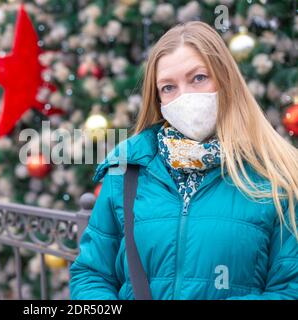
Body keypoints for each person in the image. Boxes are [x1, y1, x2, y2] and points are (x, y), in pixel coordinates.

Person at [69, 21, 298, 300]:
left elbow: (289, 289)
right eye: (168, 87)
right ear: (158, 98)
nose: (184, 96)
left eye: (198, 78)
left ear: (225, 80)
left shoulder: (276, 175)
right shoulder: (127, 170)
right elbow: (92, 273)